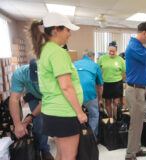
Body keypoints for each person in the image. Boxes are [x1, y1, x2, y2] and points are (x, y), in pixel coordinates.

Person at [29, 13, 87, 160]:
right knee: (69, 156)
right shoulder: (57, 53)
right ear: (56, 29)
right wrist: (79, 112)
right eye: (67, 30)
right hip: (64, 112)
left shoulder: (45, 50)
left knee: (61, 154)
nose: (70, 34)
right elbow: (66, 86)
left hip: (53, 112)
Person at [124, 22, 146, 160]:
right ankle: (130, 154)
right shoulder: (134, 46)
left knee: (139, 123)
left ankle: (136, 149)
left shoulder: (138, 46)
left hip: (140, 90)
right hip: (136, 90)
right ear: (144, 33)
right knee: (136, 124)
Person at [9, 59, 54, 160]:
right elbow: (14, 99)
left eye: (40, 79)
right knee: (39, 121)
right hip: (33, 95)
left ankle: (44, 148)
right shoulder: (20, 74)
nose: (38, 82)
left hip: (46, 97)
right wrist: (18, 124)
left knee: (44, 119)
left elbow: (45, 102)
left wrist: (29, 118)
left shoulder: (52, 75)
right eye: (35, 80)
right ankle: (40, 148)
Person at [73, 50, 104, 137]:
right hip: (89, 94)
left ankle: (77, 138)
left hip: (75, 95)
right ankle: (92, 138)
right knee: (94, 115)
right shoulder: (95, 65)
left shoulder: (74, 64)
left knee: (75, 116)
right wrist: (100, 99)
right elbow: (100, 86)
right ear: (92, 57)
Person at [98, 41, 126, 119]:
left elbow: (125, 71)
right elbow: (98, 69)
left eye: (113, 51)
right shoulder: (102, 58)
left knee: (116, 102)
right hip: (106, 83)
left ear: (116, 50)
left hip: (117, 83)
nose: (112, 53)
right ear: (108, 50)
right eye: (110, 51)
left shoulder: (120, 59)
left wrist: (126, 82)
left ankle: (116, 118)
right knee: (108, 103)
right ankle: (110, 118)